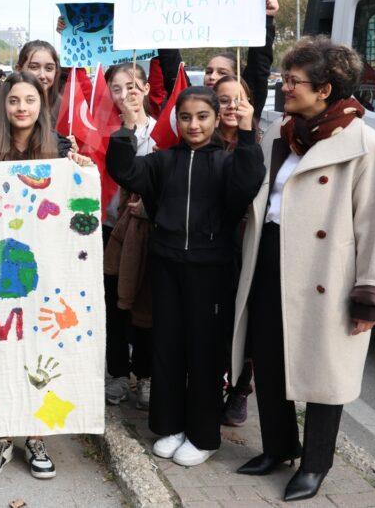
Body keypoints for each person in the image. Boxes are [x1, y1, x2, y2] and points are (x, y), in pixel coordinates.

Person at [232, 37, 375, 502]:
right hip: (270, 257)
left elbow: (374, 226)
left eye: (294, 81)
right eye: (285, 78)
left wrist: (370, 295)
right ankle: (278, 447)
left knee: (325, 370)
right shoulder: (281, 133)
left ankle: (315, 464)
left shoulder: (366, 145)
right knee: (268, 357)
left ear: (325, 89)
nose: (285, 87)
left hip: (327, 272)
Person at [107, 86, 264, 468]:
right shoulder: (163, 161)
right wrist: (127, 126)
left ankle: (203, 435)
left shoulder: (228, 162)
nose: (194, 125)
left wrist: (246, 134)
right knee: (168, 348)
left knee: (205, 354)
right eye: (186, 117)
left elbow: (248, 184)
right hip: (166, 266)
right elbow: (125, 170)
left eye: (202, 116)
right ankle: (170, 424)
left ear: (216, 118)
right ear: (176, 120)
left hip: (212, 272)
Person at [0, 71, 86, 479]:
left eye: (30, 100)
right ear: (4, 105)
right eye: (14, 100)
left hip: (48, 268)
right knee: (1, 349)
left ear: (42, 105)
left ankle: (36, 436)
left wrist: (82, 170)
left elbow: (76, 199)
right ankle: (2, 434)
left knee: (42, 349)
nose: (22, 108)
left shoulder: (62, 147)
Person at [101, 63, 155, 409]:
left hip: (148, 231)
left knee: (146, 306)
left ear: (146, 88)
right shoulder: (102, 131)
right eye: (117, 89)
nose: (125, 95)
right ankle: (118, 373)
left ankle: (145, 374)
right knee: (114, 305)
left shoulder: (163, 132)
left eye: (132, 86)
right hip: (110, 228)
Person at [212, 75, 258, 427]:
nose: (231, 106)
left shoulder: (263, 141)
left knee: (247, 319)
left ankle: (241, 388)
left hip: (250, 244)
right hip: (214, 244)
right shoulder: (202, 140)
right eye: (223, 99)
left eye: (238, 99)